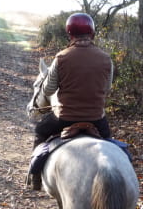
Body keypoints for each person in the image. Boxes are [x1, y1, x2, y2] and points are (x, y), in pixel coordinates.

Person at [30, 12, 114, 190]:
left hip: (65, 118)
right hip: (96, 119)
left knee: (40, 131)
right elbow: (106, 89)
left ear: (70, 33)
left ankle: (35, 176)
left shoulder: (61, 57)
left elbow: (49, 90)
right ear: (92, 33)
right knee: (111, 146)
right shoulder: (106, 59)